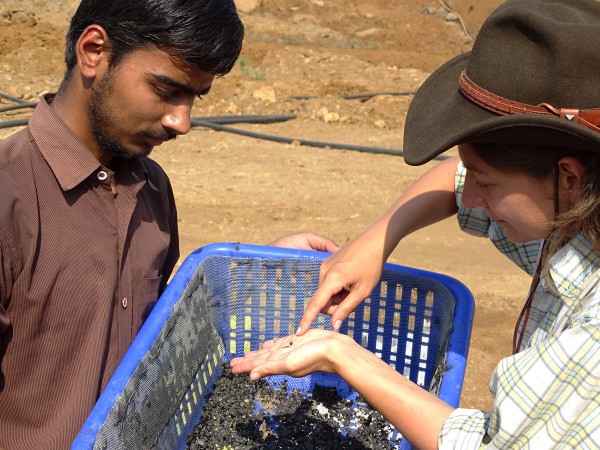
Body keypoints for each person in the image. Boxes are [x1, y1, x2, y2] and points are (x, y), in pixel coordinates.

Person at [231, 0, 600, 448]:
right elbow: (455, 176)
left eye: (487, 183)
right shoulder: (576, 222)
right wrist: (380, 236)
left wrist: (343, 355)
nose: (472, 199)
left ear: (569, 176)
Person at [0, 1, 337, 448]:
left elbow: (150, 333)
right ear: (94, 51)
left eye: (194, 97)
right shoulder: (10, 196)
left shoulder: (151, 186)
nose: (182, 121)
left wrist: (254, 271)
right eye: (165, 89)